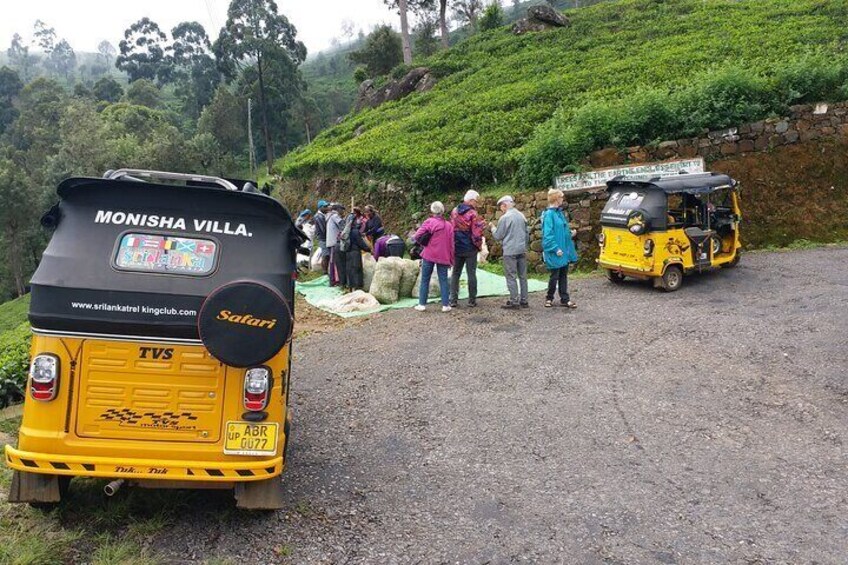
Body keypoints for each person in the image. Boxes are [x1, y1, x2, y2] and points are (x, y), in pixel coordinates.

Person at [413, 201, 454, 313]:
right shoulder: (449, 226)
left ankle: (422, 304)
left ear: (432, 210)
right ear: (443, 211)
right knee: (443, 280)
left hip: (429, 254)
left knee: (425, 279)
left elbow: (417, 236)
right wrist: (451, 260)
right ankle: (445, 305)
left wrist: (424, 242)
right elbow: (451, 245)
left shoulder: (429, 222)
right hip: (443, 256)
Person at [541, 189, 578, 308]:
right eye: (561, 197)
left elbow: (562, 230)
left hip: (564, 249)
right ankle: (549, 297)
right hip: (556, 250)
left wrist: (570, 233)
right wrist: (555, 248)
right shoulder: (549, 215)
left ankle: (565, 299)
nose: (563, 199)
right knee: (555, 275)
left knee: (563, 275)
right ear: (556, 199)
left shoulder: (559, 213)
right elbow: (548, 235)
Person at [449, 190, 486, 307]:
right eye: (476, 201)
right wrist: (479, 246)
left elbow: (452, 229)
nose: (476, 204)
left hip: (457, 246)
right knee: (471, 273)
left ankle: (453, 300)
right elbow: (476, 233)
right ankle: (471, 300)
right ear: (470, 200)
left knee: (455, 273)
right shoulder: (473, 213)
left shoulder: (454, 211)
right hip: (470, 248)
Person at [491, 195, 529, 309]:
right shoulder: (522, 216)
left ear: (504, 205)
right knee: (523, 276)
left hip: (510, 251)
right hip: (522, 249)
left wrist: (492, 228)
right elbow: (527, 233)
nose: (501, 210)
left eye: (501, 207)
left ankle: (514, 301)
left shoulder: (505, 218)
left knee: (511, 276)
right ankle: (524, 300)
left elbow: (498, 236)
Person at [345, 207, 371, 290]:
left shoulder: (346, 230)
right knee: (357, 269)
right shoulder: (355, 231)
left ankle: (350, 286)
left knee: (349, 269)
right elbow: (361, 243)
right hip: (355, 252)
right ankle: (357, 287)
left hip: (348, 252)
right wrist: (368, 249)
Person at [326, 203, 346, 287]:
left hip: (331, 241)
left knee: (332, 261)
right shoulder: (334, 216)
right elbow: (342, 223)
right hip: (334, 242)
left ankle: (333, 280)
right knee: (334, 261)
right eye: (342, 209)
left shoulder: (329, 216)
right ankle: (334, 280)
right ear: (338, 209)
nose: (342, 211)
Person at [313, 200, 330, 273]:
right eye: (325, 207)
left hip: (323, 238)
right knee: (326, 255)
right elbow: (323, 229)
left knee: (326, 255)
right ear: (320, 207)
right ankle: (325, 272)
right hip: (323, 238)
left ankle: (325, 270)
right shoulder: (319, 216)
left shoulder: (322, 215)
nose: (327, 208)